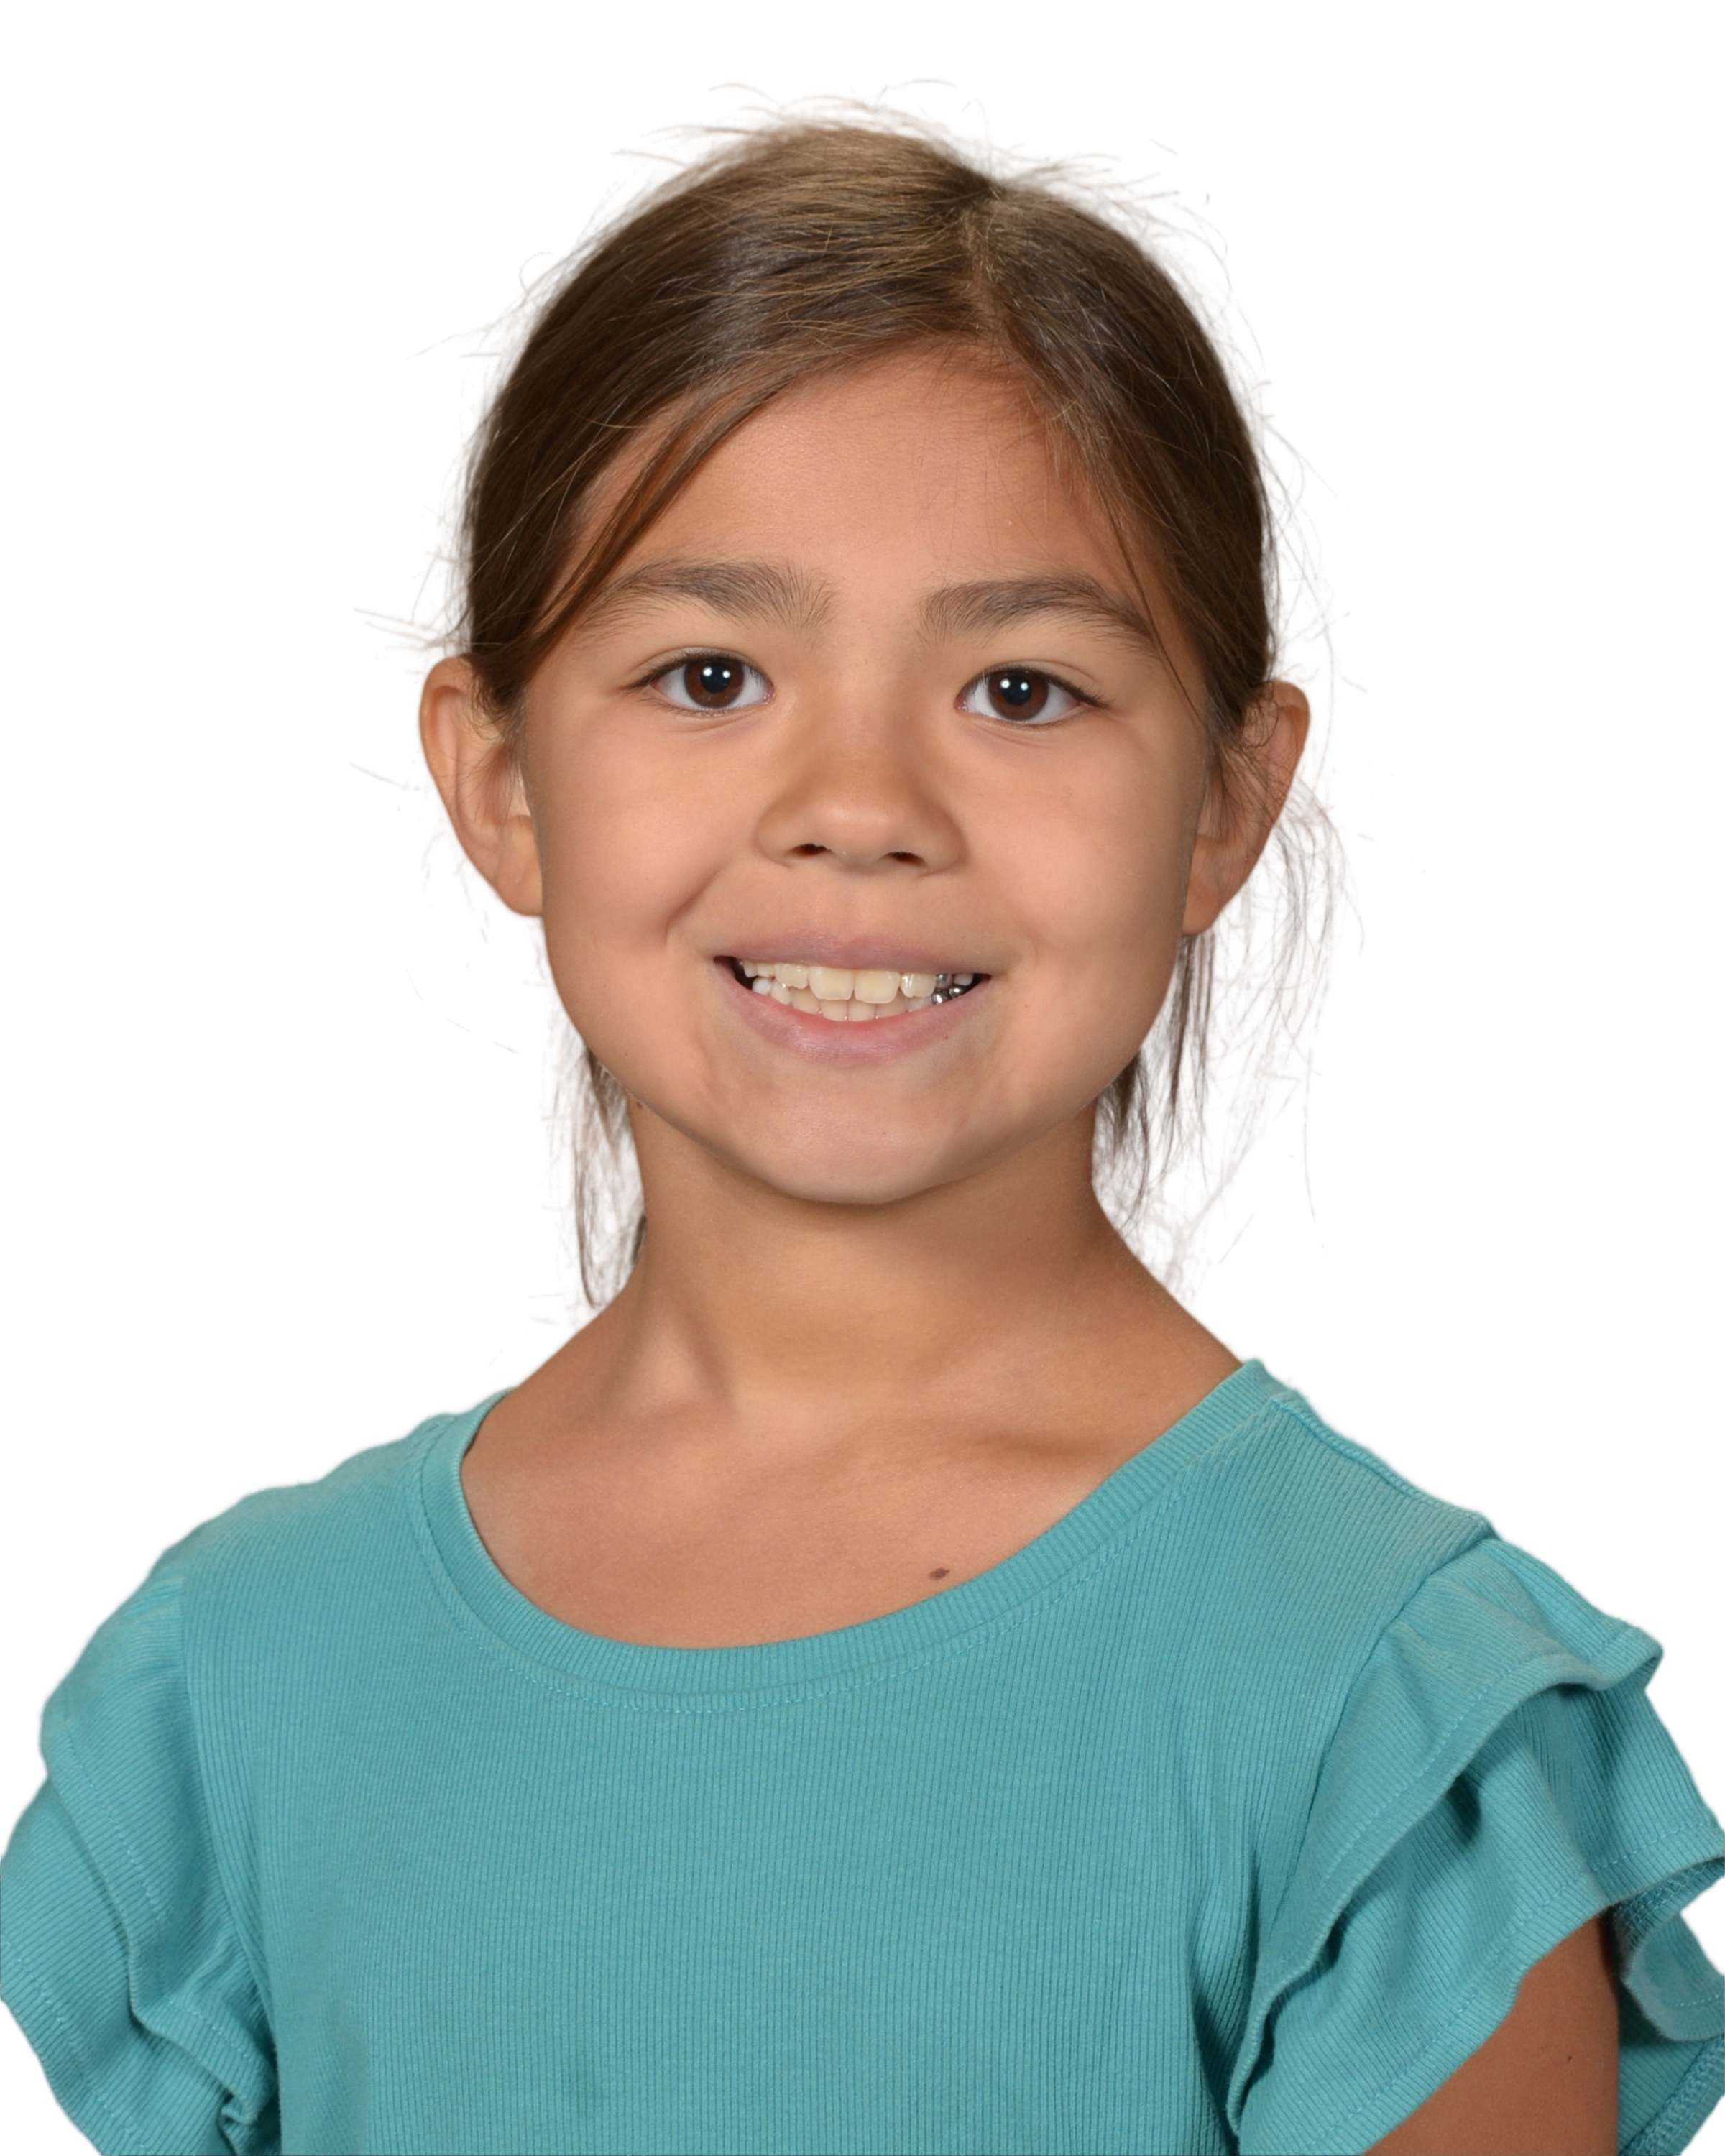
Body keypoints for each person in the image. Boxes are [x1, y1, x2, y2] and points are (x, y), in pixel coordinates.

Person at [3, 80, 1720, 2156]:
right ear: (498, 782)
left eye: (1022, 691)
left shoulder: (1390, 1713)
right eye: (711, 676)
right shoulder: (235, 1679)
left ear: (1228, 801)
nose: (860, 809)